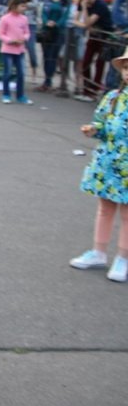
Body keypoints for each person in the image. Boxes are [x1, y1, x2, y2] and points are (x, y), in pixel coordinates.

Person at [70, 47, 128, 282]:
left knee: (126, 214)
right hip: (107, 161)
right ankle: (99, 252)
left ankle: (123, 258)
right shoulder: (113, 97)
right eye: (126, 67)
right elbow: (101, 122)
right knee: (104, 209)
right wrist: (94, 129)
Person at [74, 0, 115, 102]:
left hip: (104, 36)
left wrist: (85, 10)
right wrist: (85, 25)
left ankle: (94, 91)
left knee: (99, 64)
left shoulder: (100, 5)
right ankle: (86, 89)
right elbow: (75, 20)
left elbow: (87, 22)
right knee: (85, 61)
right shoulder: (82, 3)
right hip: (92, 35)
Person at [41, 0, 75, 96]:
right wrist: (46, 22)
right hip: (47, 30)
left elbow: (65, 16)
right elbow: (43, 12)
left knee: (53, 56)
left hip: (59, 31)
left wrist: (56, 24)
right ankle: (46, 79)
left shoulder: (67, 0)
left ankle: (49, 79)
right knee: (46, 55)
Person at [0, 0, 32, 105]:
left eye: (25, 6)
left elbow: (27, 32)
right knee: (7, 73)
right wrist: (10, 40)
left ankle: (20, 95)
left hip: (20, 50)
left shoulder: (24, 19)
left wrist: (24, 39)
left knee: (21, 73)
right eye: (22, 6)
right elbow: (0, 34)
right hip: (7, 50)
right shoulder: (5, 18)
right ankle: (6, 94)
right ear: (14, 6)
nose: (24, 8)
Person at [21, 0, 44, 82]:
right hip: (20, 22)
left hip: (31, 23)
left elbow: (35, 4)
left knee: (31, 48)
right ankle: (21, 71)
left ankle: (34, 71)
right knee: (19, 48)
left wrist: (24, 4)